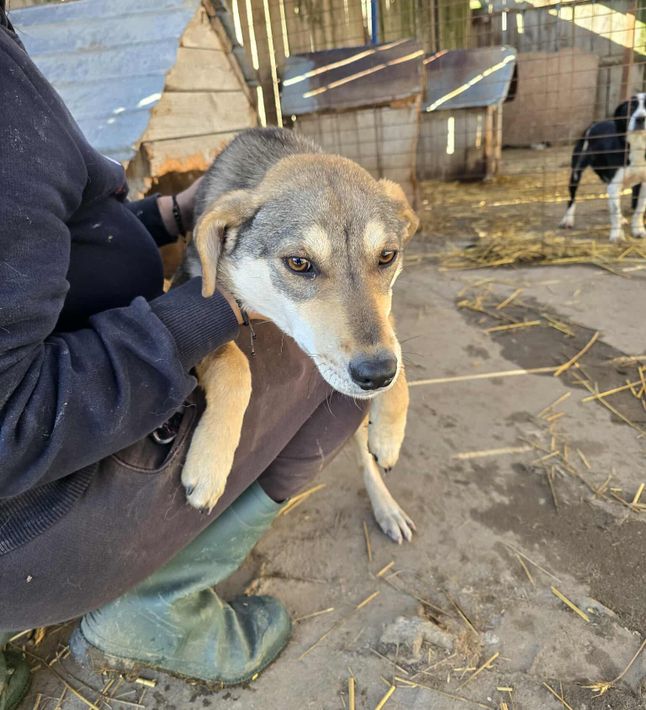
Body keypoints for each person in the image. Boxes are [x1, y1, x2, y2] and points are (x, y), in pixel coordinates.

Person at [0, 4, 366, 707]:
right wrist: (207, 314)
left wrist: (166, 215)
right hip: (28, 521)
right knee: (348, 366)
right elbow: (9, 426)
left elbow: (42, 235)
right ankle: (156, 609)